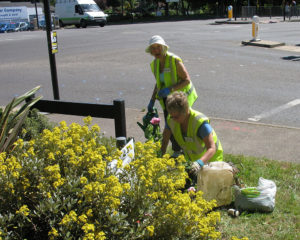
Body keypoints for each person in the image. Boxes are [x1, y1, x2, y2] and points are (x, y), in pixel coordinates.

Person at [145, 35, 198, 157]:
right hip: (168, 99)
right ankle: (176, 150)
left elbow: (187, 80)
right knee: (171, 125)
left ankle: (188, 150)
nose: (156, 50)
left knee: (182, 124)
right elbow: (158, 83)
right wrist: (152, 101)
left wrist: (170, 89)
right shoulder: (155, 64)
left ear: (164, 47)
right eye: (153, 48)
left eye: (158, 47)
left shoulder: (174, 60)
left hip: (182, 98)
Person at [165, 91, 223, 184]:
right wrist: (161, 157)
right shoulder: (171, 120)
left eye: (176, 116)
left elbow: (212, 148)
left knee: (209, 189)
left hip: (211, 160)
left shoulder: (200, 123)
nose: (173, 119)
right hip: (193, 161)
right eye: (171, 116)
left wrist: (199, 163)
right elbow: (165, 140)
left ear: (185, 110)